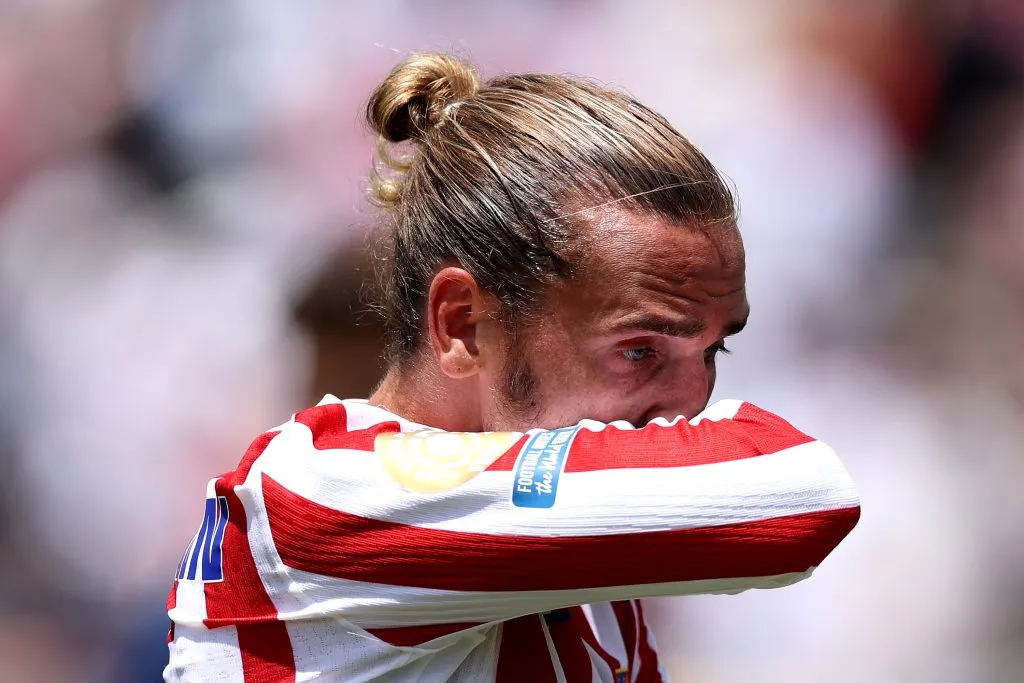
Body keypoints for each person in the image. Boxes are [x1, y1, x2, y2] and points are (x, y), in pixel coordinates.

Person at [164, 52, 860, 682]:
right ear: (463, 325)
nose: (690, 403)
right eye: (639, 350)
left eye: (712, 351)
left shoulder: (567, 564)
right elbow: (803, 493)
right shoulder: (325, 493)